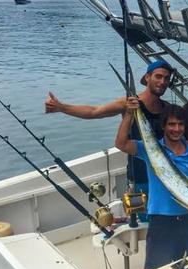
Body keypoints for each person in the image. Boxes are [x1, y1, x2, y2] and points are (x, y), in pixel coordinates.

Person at [45, 60, 174, 221]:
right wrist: (61, 107)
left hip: (164, 178)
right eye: (158, 77)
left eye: (166, 78)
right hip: (138, 179)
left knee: (162, 219)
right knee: (142, 221)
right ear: (147, 77)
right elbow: (94, 111)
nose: (162, 82)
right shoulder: (128, 104)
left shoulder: (168, 109)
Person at [115, 101, 188, 269]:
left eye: (180, 124)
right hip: (161, 220)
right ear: (163, 126)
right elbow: (121, 144)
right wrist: (129, 115)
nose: (176, 129)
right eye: (172, 124)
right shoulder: (150, 149)